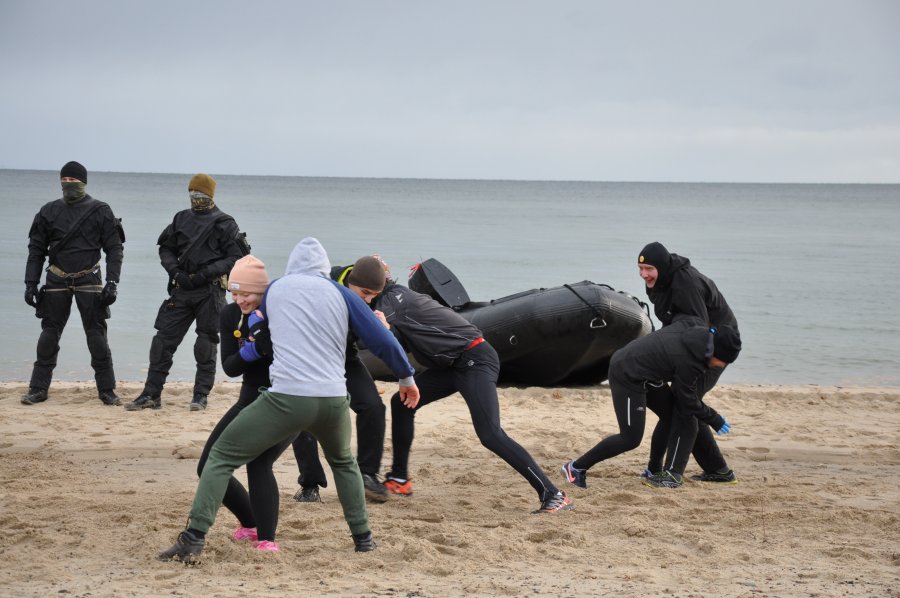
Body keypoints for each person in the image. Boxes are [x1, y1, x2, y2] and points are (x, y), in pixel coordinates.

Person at [158, 238, 420, 563]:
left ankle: (193, 538)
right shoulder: (340, 293)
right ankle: (363, 539)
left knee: (220, 457)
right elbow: (380, 339)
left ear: (293, 265)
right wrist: (406, 378)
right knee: (344, 465)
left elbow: (254, 323)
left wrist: (252, 339)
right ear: (324, 268)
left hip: (287, 400)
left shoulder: (277, 289)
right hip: (333, 401)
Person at [374, 278, 574, 514]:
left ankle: (553, 494)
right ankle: (399, 479)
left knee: (491, 434)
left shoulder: (389, 300)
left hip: (474, 359)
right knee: (402, 403)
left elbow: (380, 335)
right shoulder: (392, 297)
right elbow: (398, 339)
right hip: (452, 365)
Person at [560, 318, 741, 490]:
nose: (721, 365)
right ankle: (575, 468)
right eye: (723, 361)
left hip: (649, 375)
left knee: (671, 418)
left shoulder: (698, 336)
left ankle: (653, 471)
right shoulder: (691, 360)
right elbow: (687, 401)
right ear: (715, 351)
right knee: (630, 438)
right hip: (627, 373)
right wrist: (714, 419)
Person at [126, 173, 249, 412]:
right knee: (162, 342)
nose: (196, 197)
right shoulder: (180, 218)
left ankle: (200, 396)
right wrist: (175, 272)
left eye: (201, 193)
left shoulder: (225, 223)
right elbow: (166, 249)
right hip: (182, 289)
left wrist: (205, 273)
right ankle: (151, 394)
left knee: (206, 343)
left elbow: (235, 257)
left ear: (210, 195)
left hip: (210, 291)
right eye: (192, 193)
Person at [195, 254, 291, 552]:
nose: (240, 300)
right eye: (234, 293)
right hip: (250, 398)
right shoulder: (229, 314)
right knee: (208, 465)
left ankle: (267, 540)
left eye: (246, 294)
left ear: (263, 293)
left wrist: (270, 344)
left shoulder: (281, 313)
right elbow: (231, 367)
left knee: (259, 462)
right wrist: (255, 349)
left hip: (285, 401)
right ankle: (250, 523)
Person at [292, 255, 396, 504]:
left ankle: (367, 474)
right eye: (365, 293)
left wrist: (381, 329)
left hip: (345, 358)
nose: (369, 299)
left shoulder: (375, 293)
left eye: (374, 295)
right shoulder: (325, 282)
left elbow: (363, 341)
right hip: (311, 357)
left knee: (373, 407)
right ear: (351, 280)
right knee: (306, 416)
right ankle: (309, 484)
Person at [636, 241, 741, 483]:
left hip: (715, 349)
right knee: (683, 402)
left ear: (661, 266)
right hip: (692, 344)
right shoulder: (659, 282)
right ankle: (718, 470)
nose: (644, 274)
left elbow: (699, 329)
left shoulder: (686, 284)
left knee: (686, 402)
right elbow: (673, 322)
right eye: (640, 269)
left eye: (649, 269)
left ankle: (673, 474)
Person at [22, 161, 125, 406]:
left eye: (73, 180)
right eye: (64, 180)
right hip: (56, 279)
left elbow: (114, 249)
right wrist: (30, 283)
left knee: (97, 337)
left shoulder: (101, 210)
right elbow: (36, 250)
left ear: (83, 182)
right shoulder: (48, 211)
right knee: (48, 337)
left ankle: (107, 390)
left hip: (89, 280)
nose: (68, 184)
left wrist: (112, 281)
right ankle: (38, 389)